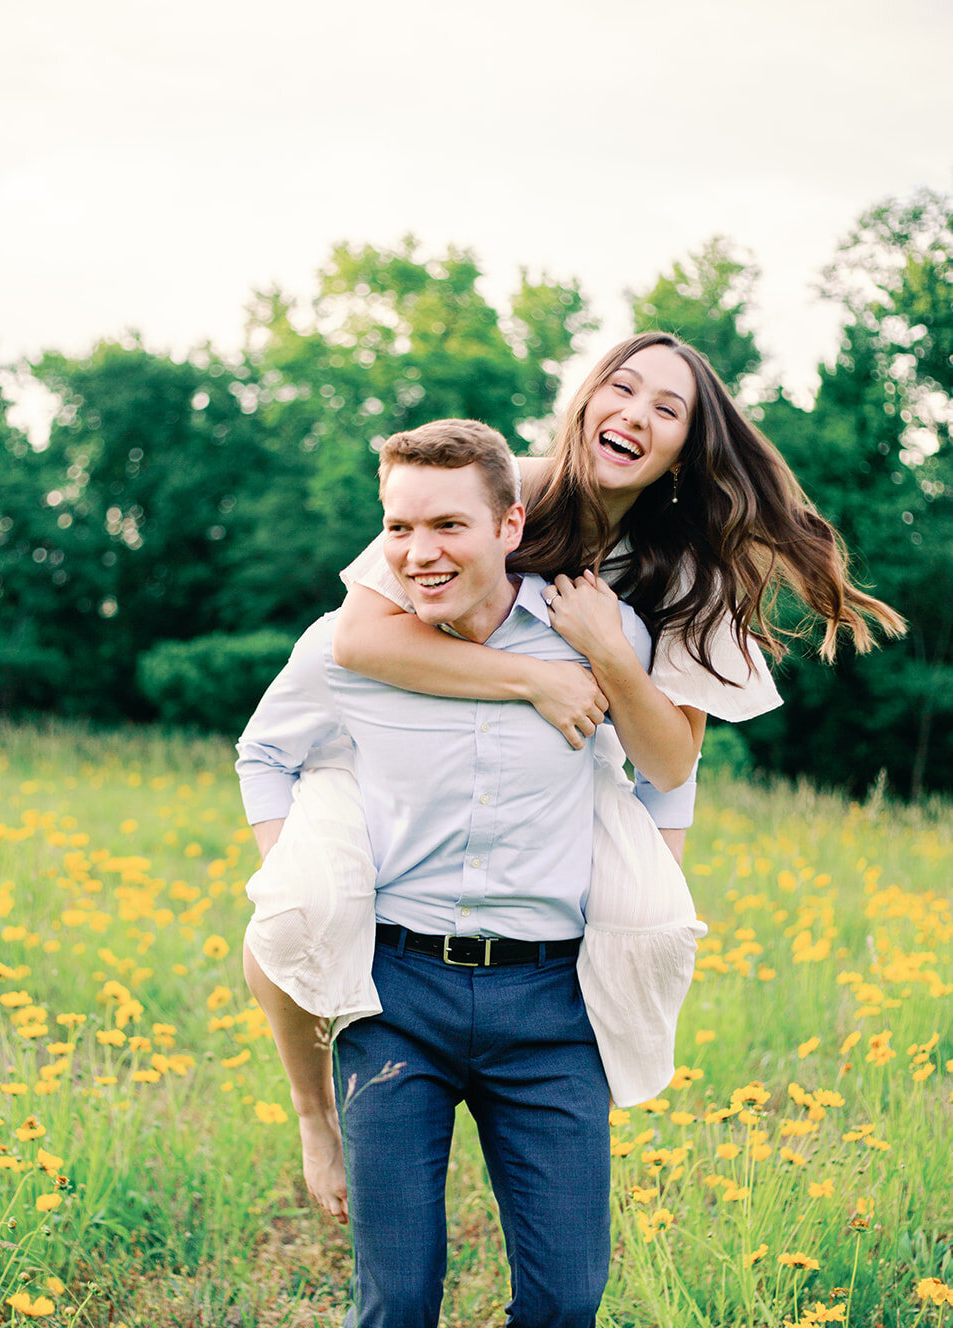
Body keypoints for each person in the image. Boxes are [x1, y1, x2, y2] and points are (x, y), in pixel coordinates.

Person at [241, 332, 905, 1227]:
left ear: (683, 449)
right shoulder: (498, 489)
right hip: (405, 751)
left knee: (649, 932)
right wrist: (536, 677)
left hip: (578, 769)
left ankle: (556, 1101)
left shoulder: (687, 570)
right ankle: (314, 1112)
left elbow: (669, 763)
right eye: (620, 389)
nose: (633, 414)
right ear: (586, 399)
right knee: (294, 902)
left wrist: (607, 657)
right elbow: (359, 640)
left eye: (665, 409)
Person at [236, 418, 674, 1328]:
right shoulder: (349, 643)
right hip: (399, 997)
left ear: (509, 523)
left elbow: (666, 766)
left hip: (551, 1008)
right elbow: (264, 750)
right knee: (398, 1295)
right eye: (396, 527)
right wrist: (298, 880)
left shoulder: (594, 631)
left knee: (566, 1297)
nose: (417, 551)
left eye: (444, 524)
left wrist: (648, 884)